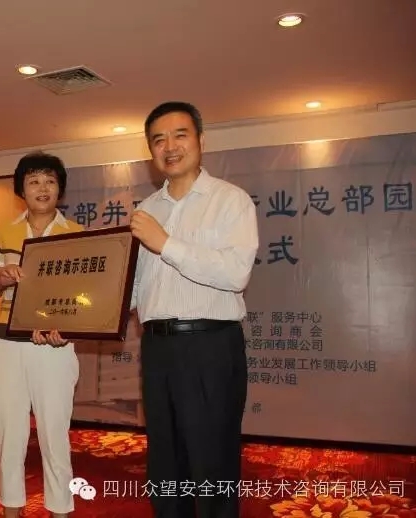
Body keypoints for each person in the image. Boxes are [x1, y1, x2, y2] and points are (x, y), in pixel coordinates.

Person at [130, 101, 259, 518]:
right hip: (157, 349)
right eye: (158, 139)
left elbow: (236, 273)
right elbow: (133, 290)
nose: (169, 146)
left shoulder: (230, 200)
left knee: (213, 461)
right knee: (165, 462)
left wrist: (166, 243)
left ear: (201, 140)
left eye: (179, 135)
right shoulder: (146, 211)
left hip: (210, 346)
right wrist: (75, 316)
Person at [0, 151, 83, 518]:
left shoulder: (77, 235)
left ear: (60, 189)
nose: (43, 188)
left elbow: (86, 296)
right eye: (34, 181)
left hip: (55, 346)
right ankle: (12, 510)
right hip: (7, 343)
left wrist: (66, 330)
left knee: (55, 435)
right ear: (21, 189)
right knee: (10, 433)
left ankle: (60, 510)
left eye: (50, 181)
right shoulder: (5, 232)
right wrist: (1, 279)